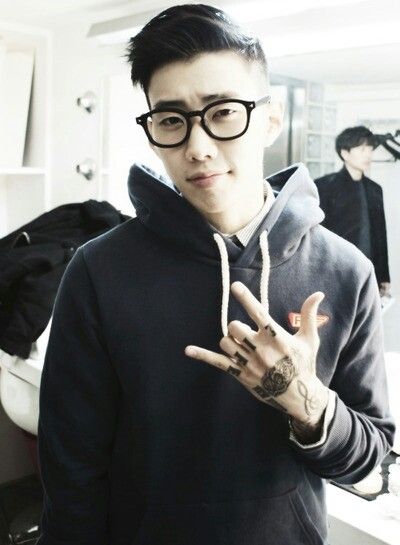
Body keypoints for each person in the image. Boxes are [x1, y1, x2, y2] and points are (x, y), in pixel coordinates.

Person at [36, 5, 395, 545]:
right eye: (171, 120)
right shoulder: (98, 271)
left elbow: (372, 471)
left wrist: (306, 401)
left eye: (223, 112)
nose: (198, 147)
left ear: (270, 120)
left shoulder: (345, 271)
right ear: (152, 131)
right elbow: (71, 476)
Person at [314, 126, 391, 296]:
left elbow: (380, 235)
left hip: (369, 272)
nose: (368, 154)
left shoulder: (375, 189)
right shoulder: (325, 186)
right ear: (345, 153)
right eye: (362, 149)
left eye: (370, 149)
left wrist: (384, 276)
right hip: (336, 271)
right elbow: (318, 236)